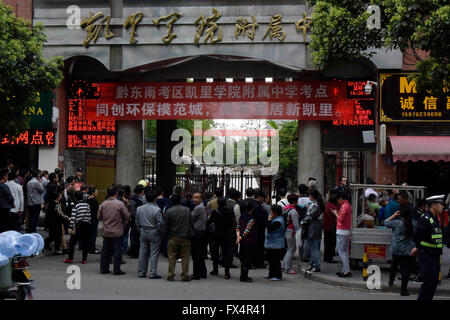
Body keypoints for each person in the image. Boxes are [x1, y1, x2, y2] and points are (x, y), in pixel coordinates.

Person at [412, 195, 444, 300]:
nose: (443, 207)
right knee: (428, 283)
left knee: (433, 283)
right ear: (434, 205)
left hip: (435, 255)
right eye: (441, 204)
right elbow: (417, 236)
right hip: (427, 255)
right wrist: (419, 247)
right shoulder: (425, 218)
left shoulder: (436, 219)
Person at [98, 185, 130, 275]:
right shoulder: (119, 204)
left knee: (105, 250)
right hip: (117, 230)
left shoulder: (103, 204)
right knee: (117, 249)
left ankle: (104, 268)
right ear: (116, 193)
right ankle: (116, 269)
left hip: (106, 230)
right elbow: (126, 216)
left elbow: (99, 216)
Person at [384, 207, 415, 296]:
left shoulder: (397, 223)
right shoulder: (413, 223)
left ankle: (391, 281)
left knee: (394, 266)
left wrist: (393, 215)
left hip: (396, 249)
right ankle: (403, 290)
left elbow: (386, 222)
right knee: (406, 271)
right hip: (407, 251)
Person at [164, 193, 193, 282]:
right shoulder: (187, 210)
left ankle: (170, 274)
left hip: (173, 236)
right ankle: (184, 275)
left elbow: (167, 226)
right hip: (185, 236)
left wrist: (166, 234)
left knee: (172, 256)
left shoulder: (169, 211)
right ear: (180, 200)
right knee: (185, 256)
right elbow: (191, 223)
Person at [136, 190, 164, 279]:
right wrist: (160, 232)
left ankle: (141, 272)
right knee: (154, 253)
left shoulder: (139, 208)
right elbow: (160, 223)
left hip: (143, 231)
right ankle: (152, 273)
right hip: (154, 231)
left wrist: (139, 229)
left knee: (142, 252)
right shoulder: (157, 209)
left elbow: (137, 221)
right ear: (154, 199)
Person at [209, 197, 235, 279]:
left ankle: (215, 270)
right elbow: (232, 222)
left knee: (215, 253)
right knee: (225, 254)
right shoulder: (229, 211)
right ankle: (227, 272)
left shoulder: (214, 212)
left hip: (216, 235)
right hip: (226, 235)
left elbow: (209, 222)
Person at [65, 191, 91, 264]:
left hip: (78, 226)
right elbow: (89, 217)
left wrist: (70, 227)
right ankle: (84, 259)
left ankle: (70, 258)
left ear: (75, 198)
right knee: (85, 242)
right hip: (86, 225)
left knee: (72, 242)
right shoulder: (87, 205)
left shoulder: (75, 206)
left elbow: (73, 218)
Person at [301, 189, 324, 273]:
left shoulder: (313, 205)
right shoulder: (319, 204)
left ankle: (316, 265)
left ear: (312, 196)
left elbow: (309, 217)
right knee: (315, 246)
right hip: (317, 227)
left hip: (312, 227)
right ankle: (312, 264)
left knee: (313, 248)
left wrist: (302, 222)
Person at [331, 192, 352, 277]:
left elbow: (340, 219)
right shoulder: (348, 205)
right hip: (346, 231)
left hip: (342, 231)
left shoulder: (344, 206)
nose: (338, 201)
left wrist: (335, 213)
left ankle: (347, 270)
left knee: (341, 251)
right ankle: (344, 269)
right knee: (345, 251)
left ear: (341, 198)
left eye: (338, 199)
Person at [236, 200, 257, 282]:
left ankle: (242, 275)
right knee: (247, 259)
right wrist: (242, 236)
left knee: (243, 258)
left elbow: (238, 226)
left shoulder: (242, 216)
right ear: (251, 209)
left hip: (243, 241)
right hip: (249, 240)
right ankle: (244, 276)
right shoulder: (251, 218)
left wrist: (239, 237)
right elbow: (248, 230)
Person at [264, 204, 285, 281]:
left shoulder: (278, 221)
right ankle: (271, 274)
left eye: (272, 211)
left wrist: (269, 220)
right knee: (271, 260)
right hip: (272, 243)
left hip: (277, 244)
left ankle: (278, 275)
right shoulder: (276, 218)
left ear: (275, 212)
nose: (270, 213)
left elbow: (270, 228)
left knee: (275, 261)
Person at [190, 192, 208, 280]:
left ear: (201, 199)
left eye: (197, 197)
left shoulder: (198, 208)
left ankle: (196, 274)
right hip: (201, 233)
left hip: (197, 233)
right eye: (193, 197)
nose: (194, 199)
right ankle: (202, 272)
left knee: (196, 254)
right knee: (200, 254)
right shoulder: (201, 207)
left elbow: (191, 218)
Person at [282, 193, 300, 274]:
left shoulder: (286, 208)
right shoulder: (293, 211)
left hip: (287, 230)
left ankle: (284, 265)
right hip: (291, 231)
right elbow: (296, 225)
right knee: (292, 249)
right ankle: (288, 268)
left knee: (289, 249)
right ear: (295, 201)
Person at [128, 185, 145, 258]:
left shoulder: (139, 198)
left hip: (138, 219)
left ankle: (135, 250)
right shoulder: (134, 199)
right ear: (142, 191)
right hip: (135, 219)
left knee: (137, 236)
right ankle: (133, 251)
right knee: (135, 235)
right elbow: (132, 211)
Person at [253, 190, 268, 269]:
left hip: (254, 229)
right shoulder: (258, 207)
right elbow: (260, 219)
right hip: (259, 229)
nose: (263, 199)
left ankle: (256, 261)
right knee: (259, 246)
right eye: (262, 198)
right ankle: (258, 262)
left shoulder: (253, 204)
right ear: (259, 197)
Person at [323, 190, 338, 263]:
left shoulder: (327, 204)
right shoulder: (333, 206)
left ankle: (326, 257)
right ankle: (330, 257)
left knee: (327, 243)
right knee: (331, 243)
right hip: (331, 226)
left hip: (326, 226)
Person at [86, 186, 100, 255]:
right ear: (93, 193)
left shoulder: (87, 199)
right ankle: (92, 248)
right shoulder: (94, 200)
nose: (97, 193)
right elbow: (97, 211)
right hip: (94, 218)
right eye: (96, 192)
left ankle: (89, 247)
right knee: (93, 234)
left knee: (89, 233)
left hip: (88, 218)